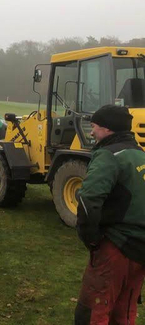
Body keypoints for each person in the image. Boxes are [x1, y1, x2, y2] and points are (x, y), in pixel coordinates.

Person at [75, 104, 145, 324]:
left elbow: (88, 201)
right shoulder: (140, 154)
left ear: (107, 129)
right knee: (124, 311)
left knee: (93, 311)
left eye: (94, 126)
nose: (92, 132)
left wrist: (92, 240)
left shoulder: (108, 156)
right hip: (140, 250)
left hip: (116, 247)